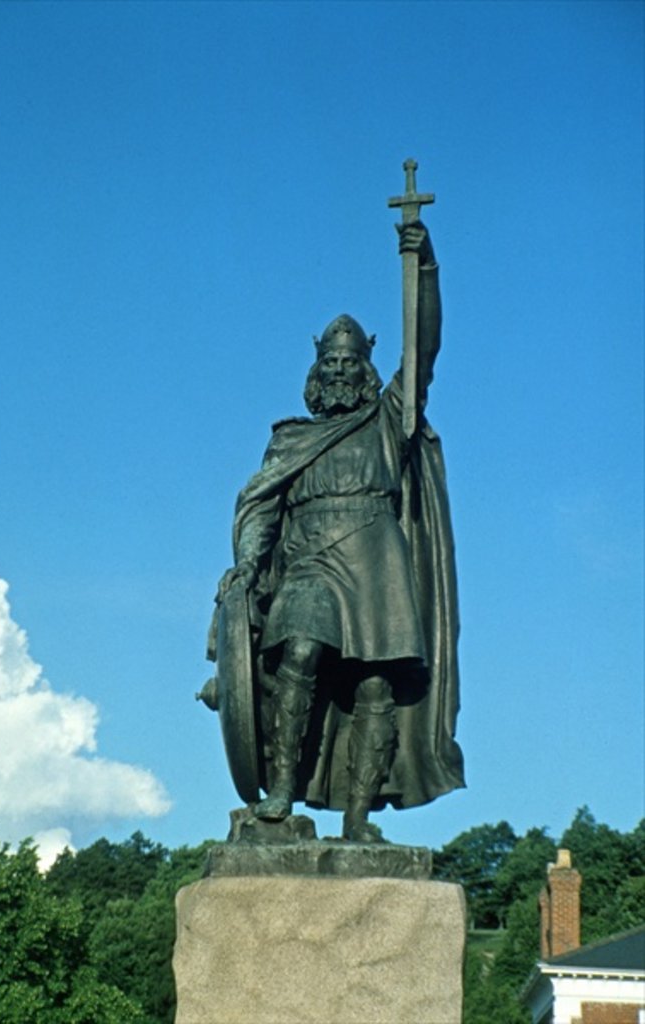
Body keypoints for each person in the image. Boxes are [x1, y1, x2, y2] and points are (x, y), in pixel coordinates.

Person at [209, 221, 464, 842]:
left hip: (377, 562)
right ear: (317, 369)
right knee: (298, 654)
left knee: (374, 684)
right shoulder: (290, 438)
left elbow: (422, 346)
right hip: (309, 564)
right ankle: (281, 798)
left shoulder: (390, 418)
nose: (343, 368)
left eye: (353, 361)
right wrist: (246, 563)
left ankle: (358, 822)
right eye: (332, 360)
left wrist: (421, 261)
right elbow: (261, 509)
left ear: (367, 367)